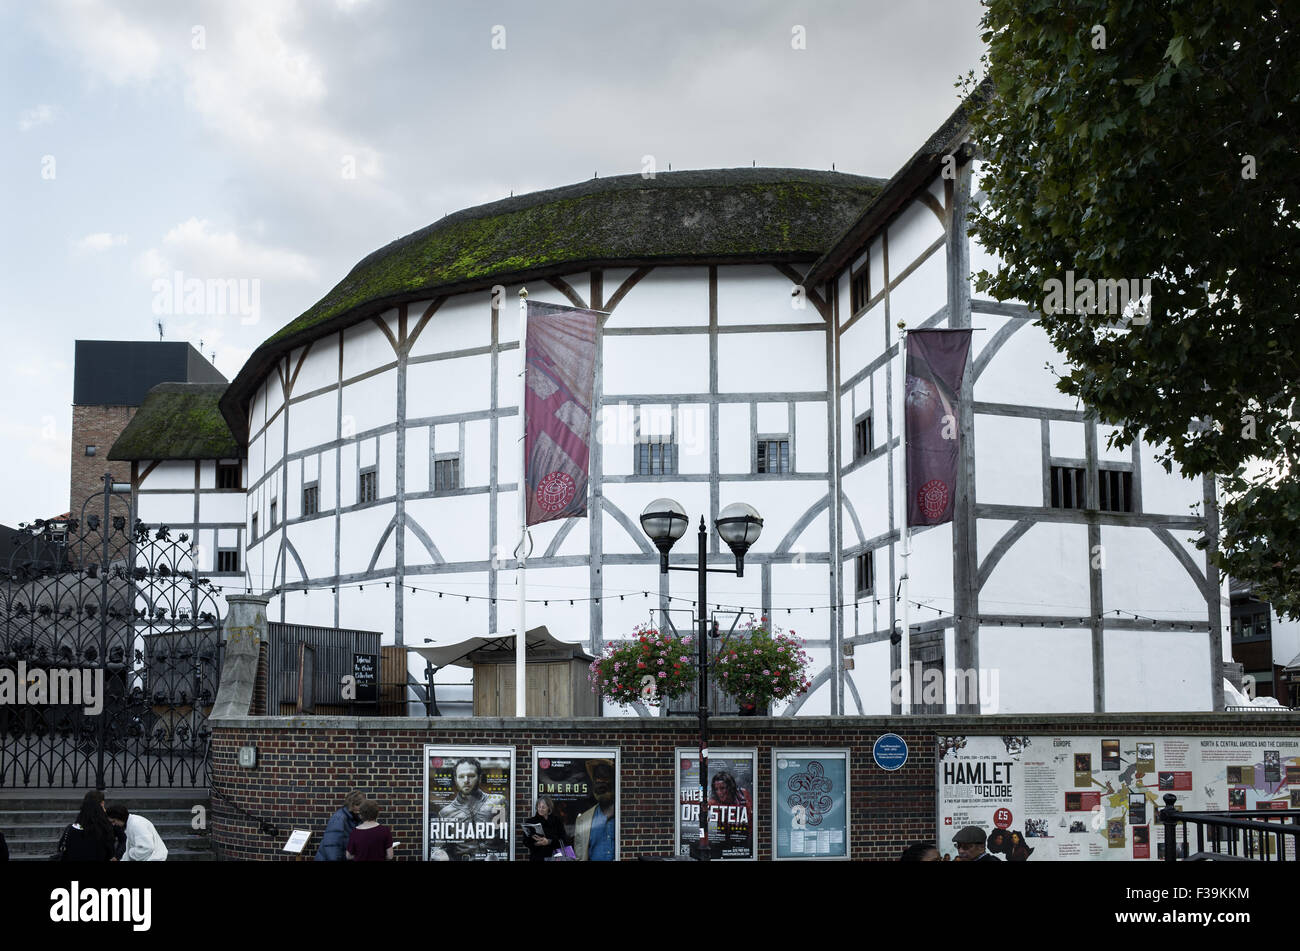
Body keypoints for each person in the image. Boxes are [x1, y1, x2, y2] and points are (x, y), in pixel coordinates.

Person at [435, 758, 506, 860]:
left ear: (479, 777)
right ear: (455, 779)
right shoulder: (445, 813)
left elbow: (505, 839)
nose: (466, 781)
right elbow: (441, 850)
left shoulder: (497, 803)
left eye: (471, 776)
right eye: (461, 776)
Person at [573, 759, 616, 861]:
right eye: (597, 779)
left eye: (604, 778)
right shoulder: (582, 820)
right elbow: (579, 855)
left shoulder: (623, 815)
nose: (600, 783)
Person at [58, 790, 116, 862]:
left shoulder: (71, 829)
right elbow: (110, 853)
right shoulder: (105, 829)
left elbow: (62, 850)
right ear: (102, 804)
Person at [315, 790, 365, 861]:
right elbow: (332, 845)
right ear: (353, 804)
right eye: (360, 805)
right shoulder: (339, 818)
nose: (362, 808)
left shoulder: (355, 817)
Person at [707, 770, 753, 846]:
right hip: (724, 841)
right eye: (716, 789)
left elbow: (751, 821)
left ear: (730, 787)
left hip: (743, 839)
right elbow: (700, 803)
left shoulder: (743, 794)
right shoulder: (714, 801)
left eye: (722, 788)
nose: (719, 792)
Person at [524, 795, 570, 861]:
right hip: (537, 857)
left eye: (543, 807)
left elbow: (564, 839)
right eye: (539, 807)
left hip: (555, 857)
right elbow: (525, 841)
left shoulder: (557, 821)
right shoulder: (531, 821)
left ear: (549, 808)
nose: (540, 809)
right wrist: (536, 843)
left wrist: (549, 841)